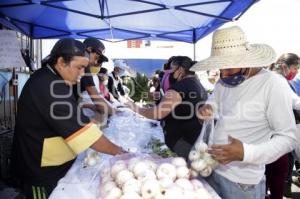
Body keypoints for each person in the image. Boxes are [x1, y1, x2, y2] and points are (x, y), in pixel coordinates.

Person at [11, 39, 124, 199]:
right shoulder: (49, 86)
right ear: (61, 62)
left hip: (53, 162)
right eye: (79, 68)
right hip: (39, 170)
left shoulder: (53, 79)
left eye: (84, 69)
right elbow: (84, 133)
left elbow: (67, 114)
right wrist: (121, 153)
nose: (81, 74)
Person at [194, 26, 297, 199]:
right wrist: (207, 108)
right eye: (221, 69)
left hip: (242, 185)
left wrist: (245, 153)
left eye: (230, 69)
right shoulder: (223, 82)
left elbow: (288, 139)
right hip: (212, 170)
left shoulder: (272, 84)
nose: (224, 74)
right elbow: (215, 101)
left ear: (247, 60)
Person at [126, 56, 207, 159]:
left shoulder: (180, 87)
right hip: (195, 138)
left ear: (180, 70)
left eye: (171, 70)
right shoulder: (197, 84)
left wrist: (135, 107)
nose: (168, 74)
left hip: (184, 141)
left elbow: (158, 113)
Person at [271, 53, 300, 197]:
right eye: (295, 67)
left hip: (273, 134)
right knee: (278, 173)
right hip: (276, 135)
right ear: (284, 66)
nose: (295, 72)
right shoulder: (278, 80)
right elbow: (295, 101)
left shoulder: (274, 78)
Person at [74, 38, 115, 117]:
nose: (95, 63)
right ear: (89, 49)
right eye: (96, 58)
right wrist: (117, 113)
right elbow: (97, 99)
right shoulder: (85, 67)